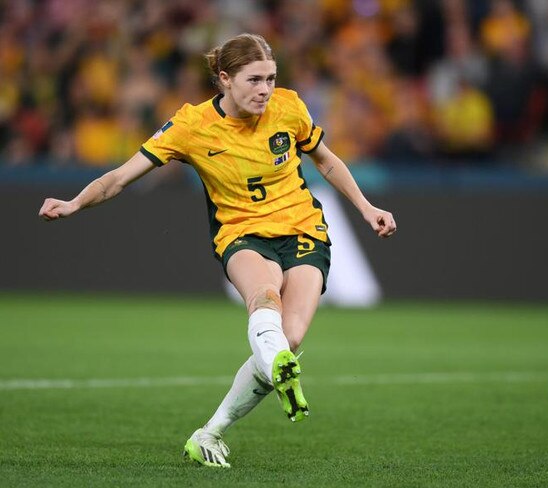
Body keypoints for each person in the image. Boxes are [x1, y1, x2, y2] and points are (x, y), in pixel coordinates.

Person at [38, 33, 396, 468]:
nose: (265, 89)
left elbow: (326, 160)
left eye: (271, 78)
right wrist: (75, 202)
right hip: (242, 233)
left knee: (291, 338)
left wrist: (366, 206)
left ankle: (210, 433)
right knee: (264, 296)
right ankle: (275, 362)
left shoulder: (289, 108)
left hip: (305, 230)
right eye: (254, 80)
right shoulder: (190, 126)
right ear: (225, 79)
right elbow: (119, 177)